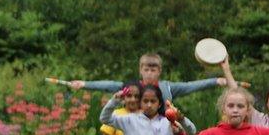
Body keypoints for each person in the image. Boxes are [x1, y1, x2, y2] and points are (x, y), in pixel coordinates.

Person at [66, 52, 228, 105]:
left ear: (159, 71)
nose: (150, 73)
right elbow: (109, 85)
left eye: (153, 69)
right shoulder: (133, 86)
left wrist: (215, 81)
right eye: (146, 69)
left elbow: (191, 86)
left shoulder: (167, 87)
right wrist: (84, 84)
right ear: (140, 70)